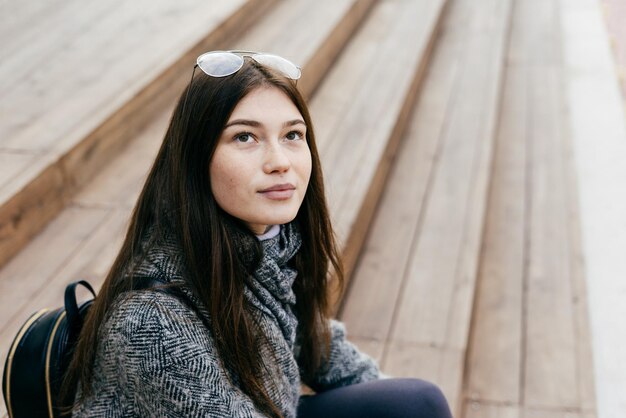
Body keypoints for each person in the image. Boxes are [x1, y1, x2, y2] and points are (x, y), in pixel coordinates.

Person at [65, 50, 453, 417]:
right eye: (245, 137)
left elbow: (313, 341)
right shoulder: (153, 323)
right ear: (196, 159)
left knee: (417, 404)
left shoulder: (268, 243)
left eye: (292, 135)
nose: (280, 162)